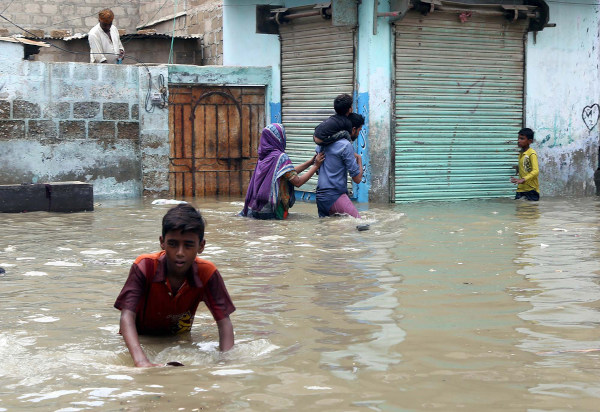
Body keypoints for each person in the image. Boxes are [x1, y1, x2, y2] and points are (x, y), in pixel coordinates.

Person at [114, 204, 235, 367]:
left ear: (201, 246)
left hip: (178, 339)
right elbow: (127, 316)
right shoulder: (145, 266)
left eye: (188, 245)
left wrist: (226, 363)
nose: (179, 252)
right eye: (173, 244)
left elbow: (224, 322)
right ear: (162, 242)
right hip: (140, 340)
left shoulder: (208, 273)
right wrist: (141, 361)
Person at [241, 123, 325, 219]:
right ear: (279, 138)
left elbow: (286, 173)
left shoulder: (263, 157)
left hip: (257, 209)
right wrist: (316, 166)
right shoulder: (281, 157)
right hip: (274, 211)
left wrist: (309, 163)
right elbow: (297, 182)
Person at [315, 112, 364, 218]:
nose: (358, 134)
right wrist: (359, 159)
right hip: (335, 196)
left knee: (331, 231)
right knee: (361, 224)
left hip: (320, 197)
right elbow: (357, 179)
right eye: (359, 130)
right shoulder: (345, 145)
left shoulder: (322, 144)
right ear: (353, 129)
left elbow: (318, 170)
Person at [510, 127, 540, 201]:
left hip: (531, 190)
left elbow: (536, 171)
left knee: (530, 211)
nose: (519, 141)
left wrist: (523, 179)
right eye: (518, 138)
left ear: (530, 141)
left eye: (522, 139)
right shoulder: (521, 153)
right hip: (521, 189)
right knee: (519, 210)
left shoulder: (531, 153)